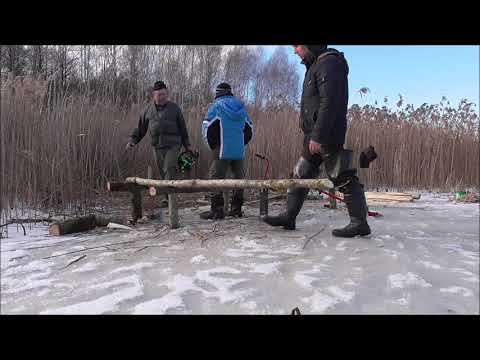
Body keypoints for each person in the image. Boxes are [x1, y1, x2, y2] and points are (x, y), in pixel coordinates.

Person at [262, 45, 371, 238]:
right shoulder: (316, 65)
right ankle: (289, 216)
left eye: (297, 46)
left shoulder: (330, 64)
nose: (295, 51)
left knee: (342, 176)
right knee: (300, 173)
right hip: (314, 133)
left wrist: (318, 136)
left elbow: (329, 103)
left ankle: (359, 223)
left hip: (327, 134)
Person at [126, 80, 191, 207]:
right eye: (159, 95)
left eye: (164, 94)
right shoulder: (147, 111)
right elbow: (140, 129)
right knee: (163, 171)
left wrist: (187, 145)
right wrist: (133, 141)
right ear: (153, 95)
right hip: (157, 145)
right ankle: (169, 195)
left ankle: (169, 199)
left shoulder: (174, 108)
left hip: (173, 144)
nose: (162, 97)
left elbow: (183, 128)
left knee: (169, 168)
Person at [200, 83, 254, 220]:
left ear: (217, 93)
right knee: (239, 179)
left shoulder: (216, 106)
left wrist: (213, 146)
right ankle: (236, 209)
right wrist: (242, 144)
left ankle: (217, 210)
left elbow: (207, 127)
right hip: (239, 150)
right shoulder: (241, 107)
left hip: (221, 149)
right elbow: (250, 128)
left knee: (215, 178)